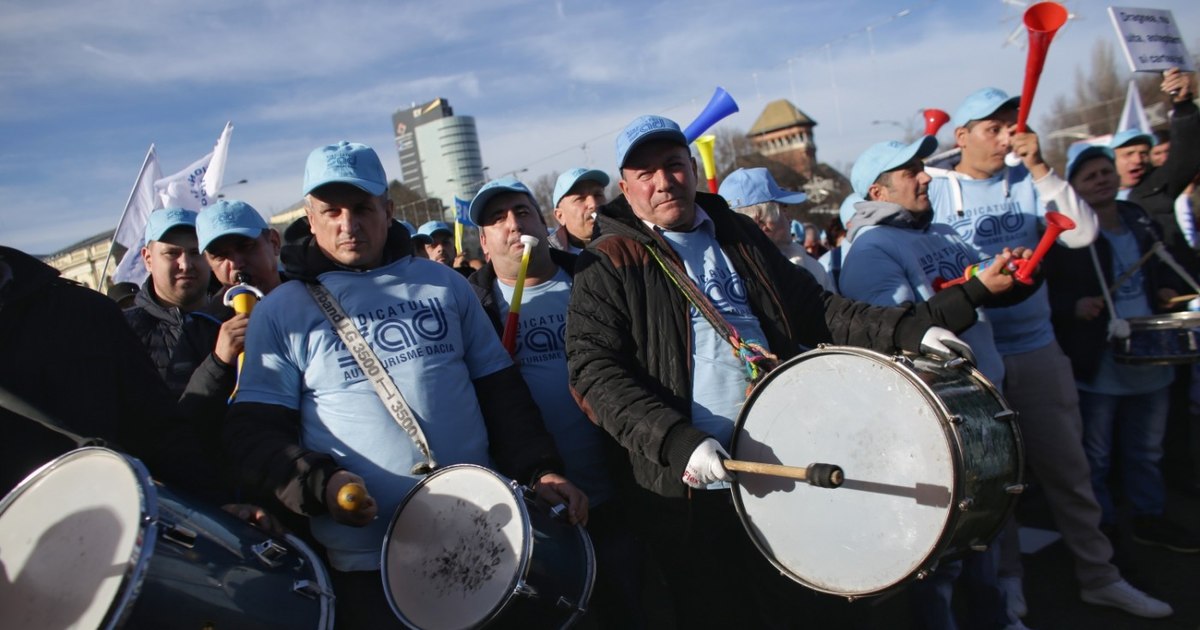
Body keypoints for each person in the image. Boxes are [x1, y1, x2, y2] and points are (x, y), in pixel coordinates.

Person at [566, 114, 987, 628]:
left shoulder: (737, 232)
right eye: (646, 173)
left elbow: (817, 308)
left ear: (692, 169)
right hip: (694, 488)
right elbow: (594, 374)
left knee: (808, 608)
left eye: (673, 165)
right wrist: (677, 441)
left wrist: (911, 331)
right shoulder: (607, 261)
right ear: (626, 186)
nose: (663, 182)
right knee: (720, 614)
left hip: (789, 458)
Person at [223, 141, 587, 629]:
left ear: (388, 210)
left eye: (361, 208)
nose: (348, 224)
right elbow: (254, 435)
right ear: (310, 219)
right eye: (331, 211)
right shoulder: (281, 312)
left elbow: (501, 394)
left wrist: (540, 469)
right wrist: (322, 484)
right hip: (369, 563)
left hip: (485, 533)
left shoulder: (444, 284)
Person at [927, 87, 1172, 619]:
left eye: (1010, 125)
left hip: (1037, 347)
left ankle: (1099, 575)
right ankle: (1009, 582)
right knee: (998, 482)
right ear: (961, 137)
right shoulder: (937, 190)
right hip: (974, 362)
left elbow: (1082, 233)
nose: (1005, 137)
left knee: (1069, 471)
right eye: (992, 128)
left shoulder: (1028, 178)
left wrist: (1040, 166)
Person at [841, 136, 1038, 629]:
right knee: (943, 553)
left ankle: (994, 619)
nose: (926, 176)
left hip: (980, 406)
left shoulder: (943, 231)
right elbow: (894, 337)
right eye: (910, 172)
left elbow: (980, 294)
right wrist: (977, 290)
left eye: (921, 168)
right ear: (878, 191)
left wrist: (1012, 277)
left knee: (983, 533)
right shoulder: (870, 249)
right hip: (934, 420)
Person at [467, 176, 646, 628]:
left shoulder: (593, 277)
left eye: (522, 212)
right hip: (536, 506)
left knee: (636, 607)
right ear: (484, 243)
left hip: (621, 487)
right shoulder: (470, 307)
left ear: (544, 222)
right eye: (497, 219)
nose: (513, 224)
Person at [1045, 143, 1200, 553]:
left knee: (1147, 448)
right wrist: (1073, 306)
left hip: (1150, 353)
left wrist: (1166, 289)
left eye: (1105, 172)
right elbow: (1049, 292)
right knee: (1096, 453)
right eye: (1089, 176)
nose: (1101, 180)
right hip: (1101, 358)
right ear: (1074, 188)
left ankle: (1150, 516)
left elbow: (1161, 269)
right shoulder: (1069, 233)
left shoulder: (1138, 218)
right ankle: (1104, 525)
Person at [123, 208, 222, 397]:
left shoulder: (239, 313)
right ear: (148, 260)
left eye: (195, 252)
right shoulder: (123, 333)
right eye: (172, 253)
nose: (185, 264)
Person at [1112, 68, 1199, 255]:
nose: (1138, 160)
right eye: (1128, 154)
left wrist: (1182, 103)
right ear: (1111, 159)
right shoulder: (1095, 201)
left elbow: (1187, 155)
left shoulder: (1156, 188)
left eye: (1144, 153)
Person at [719, 167, 835, 291]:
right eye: (783, 208)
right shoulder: (720, 275)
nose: (789, 217)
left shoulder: (811, 268)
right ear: (761, 222)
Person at [550, 167, 608, 253]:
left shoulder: (626, 240)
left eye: (598, 195)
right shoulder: (550, 258)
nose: (593, 204)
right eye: (581, 198)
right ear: (560, 216)